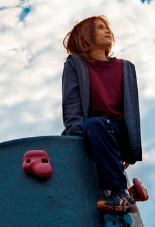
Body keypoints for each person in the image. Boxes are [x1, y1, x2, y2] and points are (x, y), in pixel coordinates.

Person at [61, 15, 142, 213]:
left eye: (107, 27)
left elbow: (132, 111)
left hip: (117, 131)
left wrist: (130, 149)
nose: (107, 30)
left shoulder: (126, 67)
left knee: (97, 124)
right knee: (93, 125)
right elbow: (71, 103)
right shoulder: (75, 65)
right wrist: (76, 141)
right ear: (86, 36)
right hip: (90, 131)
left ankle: (120, 193)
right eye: (99, 27)